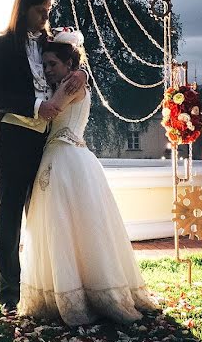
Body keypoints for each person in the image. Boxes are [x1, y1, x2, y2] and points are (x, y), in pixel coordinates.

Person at [18, 32, 158, 326]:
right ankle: (68, 290)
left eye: (52, 63)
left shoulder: (71, 84)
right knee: (62, 225)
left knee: (73, 225)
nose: (47, 70)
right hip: (65, 156)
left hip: (65, 156)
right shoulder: (71, 81)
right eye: (44, 64)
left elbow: (49, 112)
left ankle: (88, 293)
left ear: (70, 63)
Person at [0, 0, 86, 313]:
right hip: (13, 138)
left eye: (48, 10)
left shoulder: (48, 42)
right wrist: (35, 105)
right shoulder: (1, 45)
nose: (46, 16)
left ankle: (45, 286)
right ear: (24, 8)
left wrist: (80, 71)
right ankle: (9, 296)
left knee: (42, 213)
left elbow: (72, 63)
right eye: (41, 10)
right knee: (10, 214)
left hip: (46, 141)